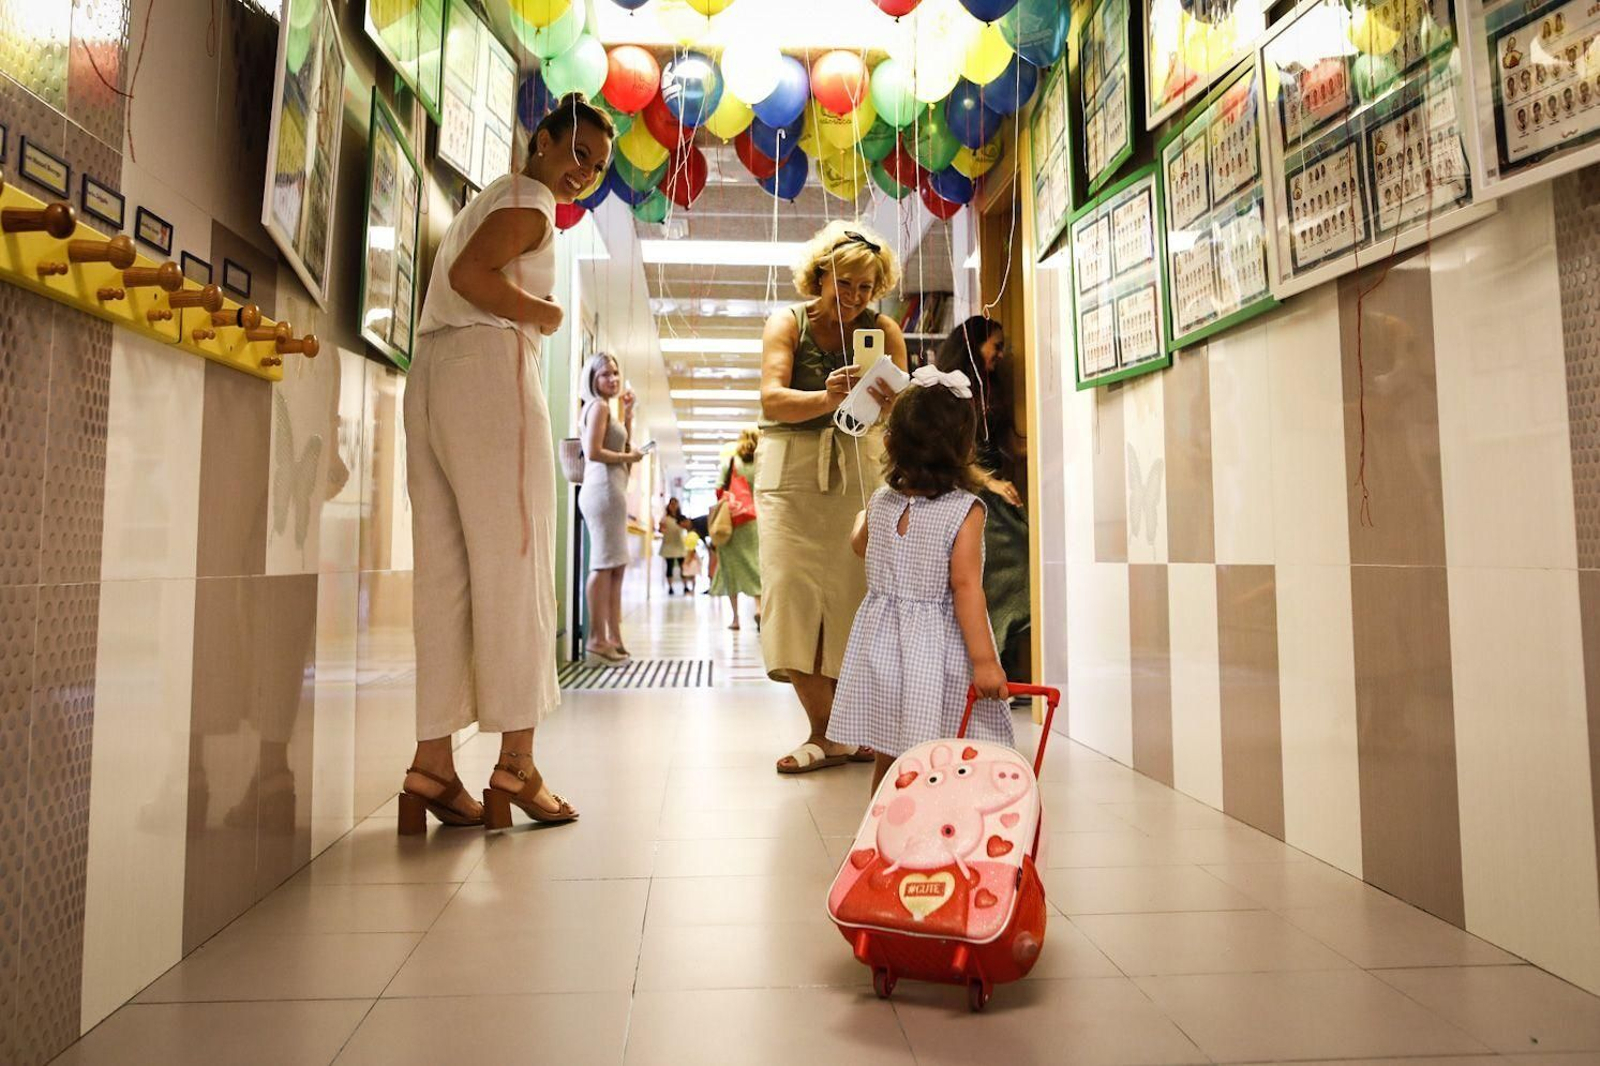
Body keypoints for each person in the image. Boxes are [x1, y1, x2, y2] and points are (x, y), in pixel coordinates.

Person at [399, 93, 614, 833]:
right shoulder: (528, 203)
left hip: (430, 377)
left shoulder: (487, 199)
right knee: (517, 563)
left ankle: (431, 764)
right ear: (543, 140)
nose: (584, 173)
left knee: (446, 575)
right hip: (489, 373)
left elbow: (453, 275)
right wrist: (546, 315)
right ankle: (516, 764)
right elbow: (470, 277)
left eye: (597, 166)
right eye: (577, 153)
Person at [757, 220, 904, 774]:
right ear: (820, 277)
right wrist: (828, 395)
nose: (856, 298)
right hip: (791, 476)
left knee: (850, 600)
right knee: (791, 595)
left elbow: (898, 410)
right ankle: (828, 732)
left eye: (867, 288)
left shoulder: (884, 329)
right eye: (845, 284)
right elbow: (772, 399)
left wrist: (885, 399)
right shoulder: (786, 322)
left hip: (858, 472)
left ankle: (838, 732)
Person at [826, 368, 1012, 792]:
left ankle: (881, 838)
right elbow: (966, 587)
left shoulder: (881, 502)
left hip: (881, 647)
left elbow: (860, 546)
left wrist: (862, 519)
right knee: (942, 751)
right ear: (964, 447)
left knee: (891, 753)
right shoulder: (965, 510)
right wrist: (984, 663)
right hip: (935, 650)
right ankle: (938, 833)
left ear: (890, 443)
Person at [933, 316, 1032, 677]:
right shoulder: (946, 392)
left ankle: (996, 657)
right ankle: (990, 659)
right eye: (997, 345)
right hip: (968, 497)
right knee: (1008, 567)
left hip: (993, 499)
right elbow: (950, 454)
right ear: (974, 345)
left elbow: (1010, 445)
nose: (1002, 354)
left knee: (1021, 565)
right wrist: (988, 483)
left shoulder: (991, 389)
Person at [578, 353, 644, 662]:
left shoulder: (609, 409)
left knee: (615, 566)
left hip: (612, 490)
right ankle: (596, 638)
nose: (613, 379)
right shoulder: (599, 406)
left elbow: (618, 446)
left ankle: (613, 637)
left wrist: (629, 415)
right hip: (602, 490)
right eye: (605, 374)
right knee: (603, 565)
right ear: (592, 379)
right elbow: (593, 452)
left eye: (615, 373)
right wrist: (628, 459)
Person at [712, 428, 763, 631]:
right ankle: (759, 608)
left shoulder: (731, 462)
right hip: (756, 521)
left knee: (730, 568)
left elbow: (718, 489)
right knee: (755, 566)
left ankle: (735, 618)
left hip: (732, 524)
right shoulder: (762, 462)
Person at [659, 496, 689, 594]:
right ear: (669, 505)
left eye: (675, 504)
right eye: (672, 504)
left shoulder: (682, 518)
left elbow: (688, 527)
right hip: (668, 545)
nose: (674, 506)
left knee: (682, 567)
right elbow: (661, 530)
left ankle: (685, 586)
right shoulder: (665, 519)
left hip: (680, 545)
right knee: (669, 567)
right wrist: (662, 528)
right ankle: (670, 587)